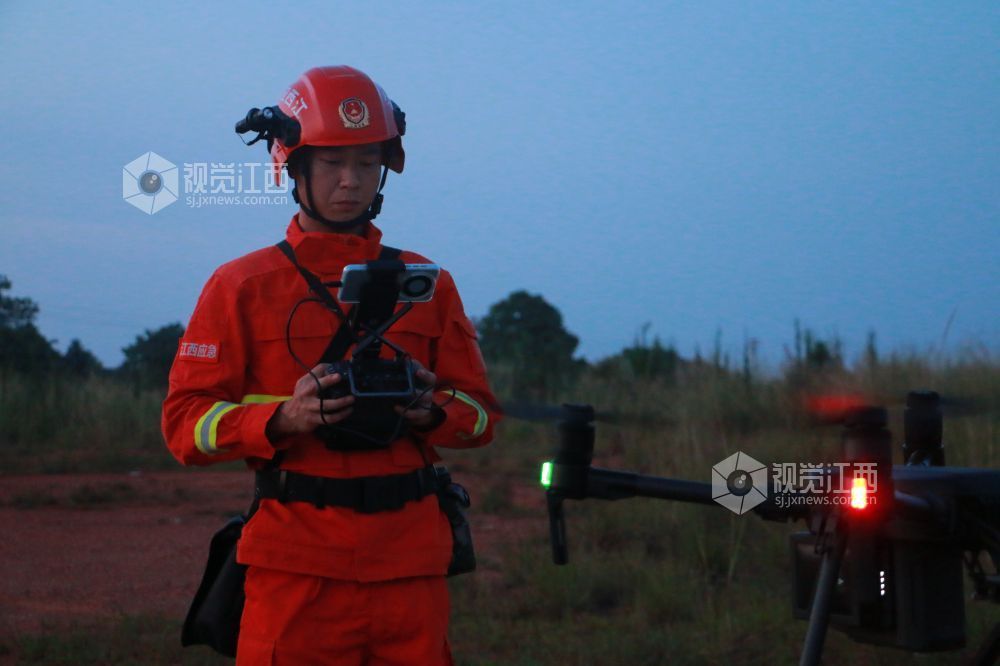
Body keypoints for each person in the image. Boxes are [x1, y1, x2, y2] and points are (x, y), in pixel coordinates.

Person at [162, 65, 499, 665]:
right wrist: (282, 418)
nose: (351, 180)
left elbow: (481, 416)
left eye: (367, 162)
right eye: (331, 163)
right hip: (295, 570)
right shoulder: (240, 286)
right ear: (292, 166)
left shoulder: (427, 283)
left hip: (411, 568)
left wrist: (431, 412)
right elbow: (185, 426)